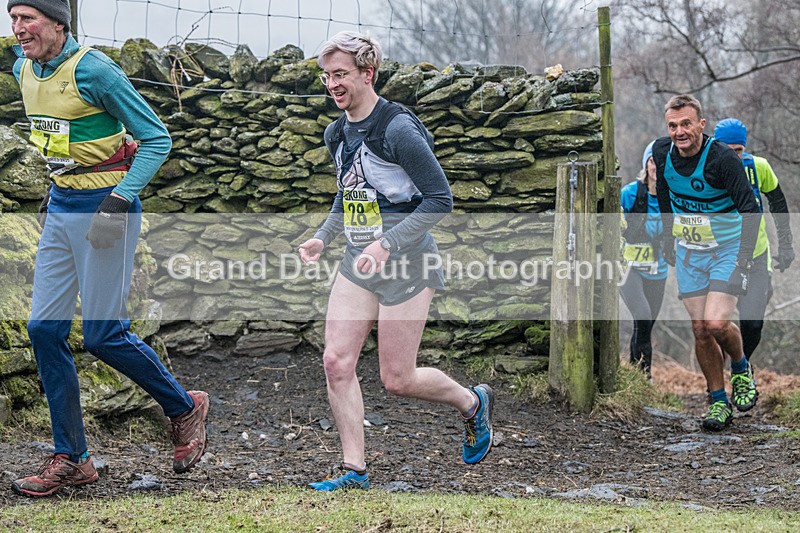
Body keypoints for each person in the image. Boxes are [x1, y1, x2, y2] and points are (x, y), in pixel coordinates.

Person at [8, 0, 208, 497]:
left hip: (106, 205)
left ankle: (184, 406)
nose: (18, 28)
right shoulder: (22, 67)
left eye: (27, 18)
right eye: (13, 18)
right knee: (43, 329)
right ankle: (73, 458)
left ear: (58, 22)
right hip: (61, 205)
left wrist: (118, 202)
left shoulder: (96, 70)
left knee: (102, 334)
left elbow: (156, 139)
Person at [297, 31, 494, 491]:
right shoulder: (336, 132)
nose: (332, 84)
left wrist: (387, 243)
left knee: (398, 378)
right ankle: (354, 470)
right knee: (336, 361)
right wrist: (323, 238)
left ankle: (471, 403)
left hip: (408, 265)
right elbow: (348, 193)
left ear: (368, 73)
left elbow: (439, 200)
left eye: (341, 74)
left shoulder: (398, 130)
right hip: (357, 263)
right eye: (327, 76)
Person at [653, 94, 761, 431]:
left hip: (727, 249)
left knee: (716, 324)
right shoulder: (661, 152)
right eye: (673, 125)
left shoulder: (722, 159)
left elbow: (750, 209)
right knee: (700, 329)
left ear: (701, 124)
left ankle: (741, 368)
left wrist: (743, 259)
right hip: (689, 251)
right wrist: (669, 238)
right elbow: (667, 198)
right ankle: (718, 401)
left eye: (686, 124)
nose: (679, 132)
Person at [713, 118, 794, 362]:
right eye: (727, 151)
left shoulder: (758, 167)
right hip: (719, 256)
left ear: (744, 149)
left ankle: (742, 370)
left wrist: (786, 244)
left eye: (738, 151)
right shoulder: (707, 170)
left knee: (753, 324)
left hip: (756, 257)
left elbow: (778, 203)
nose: (733, 157)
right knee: (714, 325)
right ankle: (716, 380)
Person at [620, 141, 668, 379]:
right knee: (642, 314)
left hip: (658, 270)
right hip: (629, 268)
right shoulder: (630, 193)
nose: (656, 166)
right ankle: (645, 376)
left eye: (661, 162)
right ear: (646, 164)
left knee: (646, 324)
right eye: (652, 160)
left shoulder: (672, 199)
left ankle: (634, 374)